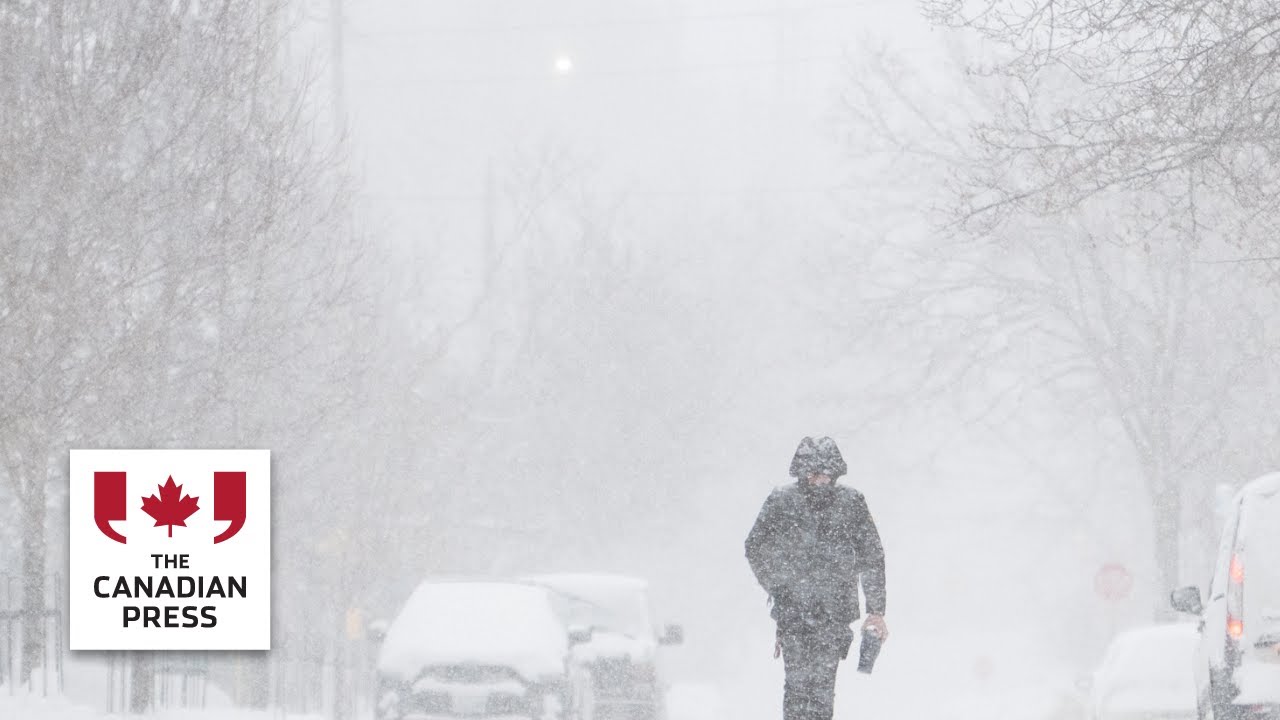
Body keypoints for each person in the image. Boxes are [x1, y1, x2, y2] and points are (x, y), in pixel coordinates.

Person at [744, 436, 887, 720]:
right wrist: (777, 583)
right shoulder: (782, 501)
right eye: (813, 472)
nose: (819, 479)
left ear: (835, 473)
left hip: (833, 615)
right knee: (797, 686)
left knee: (822, 687)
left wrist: (876, 610)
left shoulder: (851, 503)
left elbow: (872, 556)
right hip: (793, 612)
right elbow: (754, 546)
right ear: (801, 471)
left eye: (825, 472)